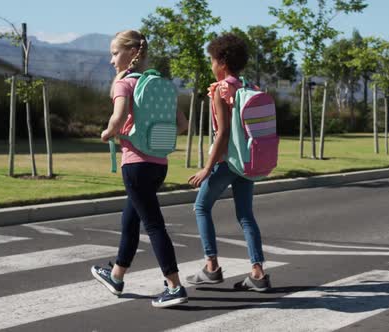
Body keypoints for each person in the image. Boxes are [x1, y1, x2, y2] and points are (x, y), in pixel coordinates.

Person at [91, 29, 189, 308]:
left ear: (132, 53)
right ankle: (116, 275)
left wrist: (107, 132)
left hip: (135, 164)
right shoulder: (160, 82)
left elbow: (118, 117)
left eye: (114, 53)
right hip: (159, 164)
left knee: (154, 225)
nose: (111, 60)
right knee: (130, 218)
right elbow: (182, 125)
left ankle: (174, 286)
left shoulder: (124, 84)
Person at [186, 33, 271, 292]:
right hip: (247, 162)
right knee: (246, 215)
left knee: (201, 208)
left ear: (221, 62)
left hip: (226, 163)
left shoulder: (221, 90)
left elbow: (222, 133)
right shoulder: (247, 87)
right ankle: (258, 273)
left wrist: (208, 167)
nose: (211, 65)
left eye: (212, 60)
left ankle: (211, 267)